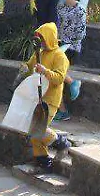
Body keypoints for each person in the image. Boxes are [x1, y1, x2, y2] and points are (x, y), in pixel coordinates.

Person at [24, 23, 72, 171]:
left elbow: (59, 78)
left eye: (42, 38)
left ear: (49, 38)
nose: (40, 42)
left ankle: (61, 142)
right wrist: (25, 68)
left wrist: (45, 71)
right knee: (33, 132)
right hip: (38, 97)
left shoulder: (60, 56)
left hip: (51, 99)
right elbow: (29, 66)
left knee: (37, 128)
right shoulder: (39, 53)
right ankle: (43, 161)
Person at [53, 0, 86, 122]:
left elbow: (81, 33)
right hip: (60, 45)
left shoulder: (80, 9)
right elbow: (58, 25)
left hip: (72, 48)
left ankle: (72, 82)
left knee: (55, 71)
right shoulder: (60, 7)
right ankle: (62, 110)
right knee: (53, 76)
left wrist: (67, 42)